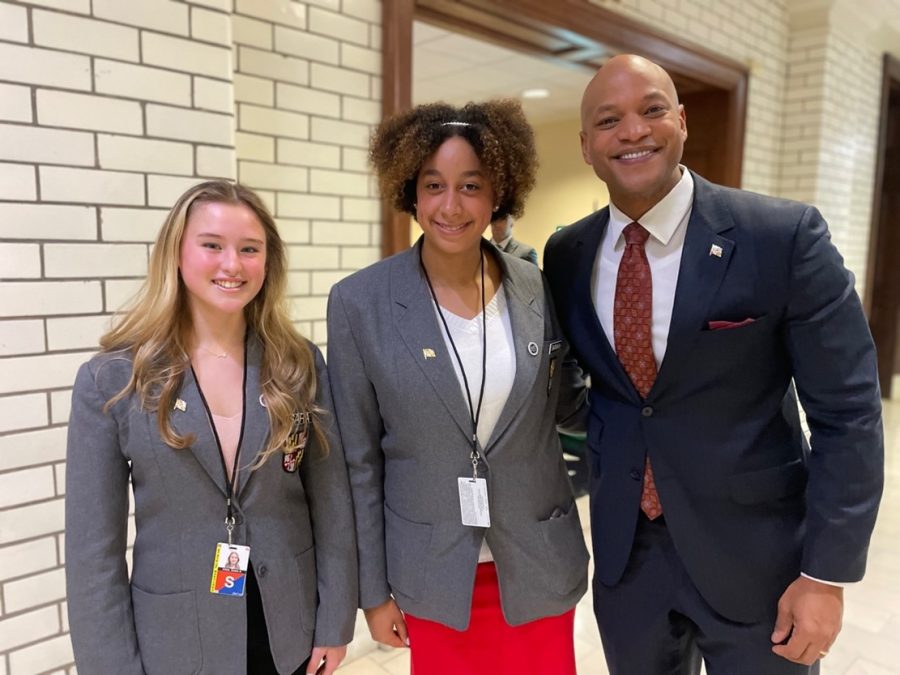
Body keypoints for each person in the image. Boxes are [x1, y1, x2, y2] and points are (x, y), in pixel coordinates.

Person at [543, 54, 884, 674]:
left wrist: (825, 575)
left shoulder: (782, 237)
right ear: (587, 146)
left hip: (758, 561)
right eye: (608, 120)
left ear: (681, 119)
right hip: (628, 560)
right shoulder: (568, 253)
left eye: (651, 110)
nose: (633, 131)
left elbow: (849, 415)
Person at [327, 100, 589, 674]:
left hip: (537, 560)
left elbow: (568, 404)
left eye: (471, 185)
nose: (451, 205)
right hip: (433, 568)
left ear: (500, 192)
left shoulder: (536, 287)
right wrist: (372, 592)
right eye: (434, 185)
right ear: (411, 193)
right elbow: (359, 464)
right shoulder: (359, 304)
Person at [65, 180, 358, 675]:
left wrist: (335, 620)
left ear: (268, 262)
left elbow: (331, 503)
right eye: (212, 246)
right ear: (176, 254)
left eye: (249, 249)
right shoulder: (114, 380)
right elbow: (93, 552)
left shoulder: (298, 364)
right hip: (178, 640)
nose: (232, 265)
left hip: (289, 630)